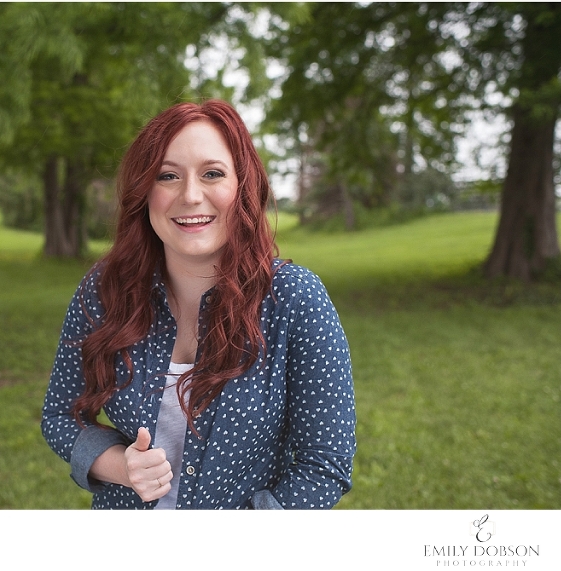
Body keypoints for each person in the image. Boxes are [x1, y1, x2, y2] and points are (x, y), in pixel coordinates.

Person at [41, 99, 356, 509]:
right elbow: (60, 416)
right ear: (144, 192)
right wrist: (121, 466)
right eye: (167, 176)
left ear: (243, 185)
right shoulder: (104, 290)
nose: (190, 196)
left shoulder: (295, 299)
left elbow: (324, 465)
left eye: (212, 174)